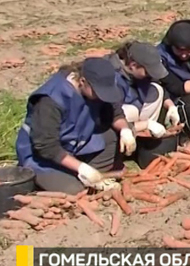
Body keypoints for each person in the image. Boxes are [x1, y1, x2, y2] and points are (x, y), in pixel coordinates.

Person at [16, 58, 136, 194]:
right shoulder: (51, 99)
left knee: (120, 132)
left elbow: (116, 113)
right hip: (42, 157)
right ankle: (69, 174)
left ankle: (88, 173)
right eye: (98, 93)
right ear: (82, 81)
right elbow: (47, 147)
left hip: (75, 143)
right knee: (74, 189)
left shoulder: (98, 88)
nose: (102, 97)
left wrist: (125, 130)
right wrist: (81, 168)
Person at [108, 41, 180, 167]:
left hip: (136, 107)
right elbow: (112, 114)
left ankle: (143, 140)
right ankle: (124, 145)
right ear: (133, 65)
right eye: (148, 72)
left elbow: (157, 84)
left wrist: (171, 106)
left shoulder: (138, 71)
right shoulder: (112, 77)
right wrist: (146, 124)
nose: (150, 75)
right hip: (116, 120)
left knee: (157, 90)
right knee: (131, 111)